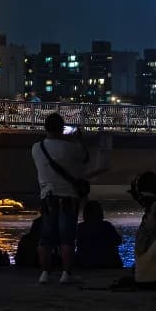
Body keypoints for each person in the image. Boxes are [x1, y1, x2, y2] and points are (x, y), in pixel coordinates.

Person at [31, 111, 92, 285]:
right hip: (69, 198)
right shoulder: (71, 148)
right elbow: (85, 158)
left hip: (48, 197)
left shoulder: (37, 148)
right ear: (62, 128)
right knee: (67, 238)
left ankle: (45, 273)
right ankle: (66, 274)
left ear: (45, 128)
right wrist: (79, 139)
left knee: (46, 238)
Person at [75, 200, 124, 269]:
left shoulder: (80, 227)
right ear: (100, 212)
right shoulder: (106, 225)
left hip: (85, 262)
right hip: (107, 262)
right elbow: (118, 241)